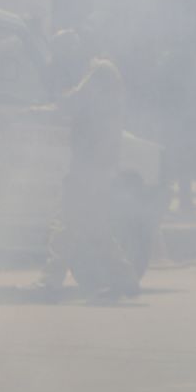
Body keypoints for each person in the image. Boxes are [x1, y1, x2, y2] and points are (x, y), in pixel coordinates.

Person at [29, 31, 138, 300]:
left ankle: (50, 282)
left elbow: (72, 103)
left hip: (93, 161)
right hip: (94, 160)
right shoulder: (96, 73)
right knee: (96, 225)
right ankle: (125, 279)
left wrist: (35, 112)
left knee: (66, 219)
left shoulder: (100, 71)